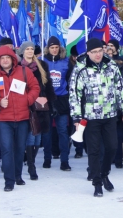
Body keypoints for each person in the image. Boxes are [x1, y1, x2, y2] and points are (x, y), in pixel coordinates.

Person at [69, 38, 123, 197]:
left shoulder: (111, 66)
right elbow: (74, 94)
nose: (97, 54)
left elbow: (120, 88)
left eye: (99, 51)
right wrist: (76, 118)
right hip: (90, 117)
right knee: (94, 151)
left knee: (112, 147)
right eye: (93, 52)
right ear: (88, 53)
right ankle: (97, 182)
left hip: (110, 115)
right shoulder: (80, 69)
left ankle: (104, 173)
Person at [0, 46, 40, 192]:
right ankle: (9, 181)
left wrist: (28, 99)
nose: (5, 60)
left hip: (22, 118)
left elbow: (35, 87)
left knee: (20, 149)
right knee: (7, 149)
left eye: (8, 57)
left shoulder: (24, 71)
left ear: (13, 59)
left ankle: (17, 176)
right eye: (2, 58)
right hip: (4, 119)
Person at [20, 41, 56, 179]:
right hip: (26, 105)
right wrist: (31, 99)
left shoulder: (42, 65)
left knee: (38, 137)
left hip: (42, 105)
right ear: (23, 51)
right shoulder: (18, 67)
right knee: (30, 135)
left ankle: (31, 161)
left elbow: (48, 85)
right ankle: (31, 167)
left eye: (31, 49)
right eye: (27, 49)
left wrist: (49, 99)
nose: (30, 51)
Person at [42, 37, 72, 169]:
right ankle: (47, 158)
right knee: (47, 132)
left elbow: (70, 79)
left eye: (56, 47)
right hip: (47, 99)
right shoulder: (42, 61)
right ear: (48, 48)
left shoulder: (66, 61)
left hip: (61, 99)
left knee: (62, 131)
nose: (54, 50)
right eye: (52, 47)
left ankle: (64, 160)